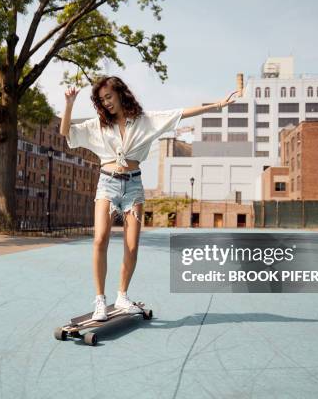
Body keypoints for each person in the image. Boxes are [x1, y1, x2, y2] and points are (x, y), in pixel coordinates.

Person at [59, 76, 237, 320]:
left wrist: (216, 105)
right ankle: (100, 300)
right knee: (100, 239)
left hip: (133, 186)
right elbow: (65, 131)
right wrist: (69, 104)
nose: (107, 103)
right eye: (102, 100)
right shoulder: (98, 125)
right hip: (107, 184)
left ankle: (122, 296)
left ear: (121, 94)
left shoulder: (145, 121)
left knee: (132, 246)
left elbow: (179, 114)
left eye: (109, 97)